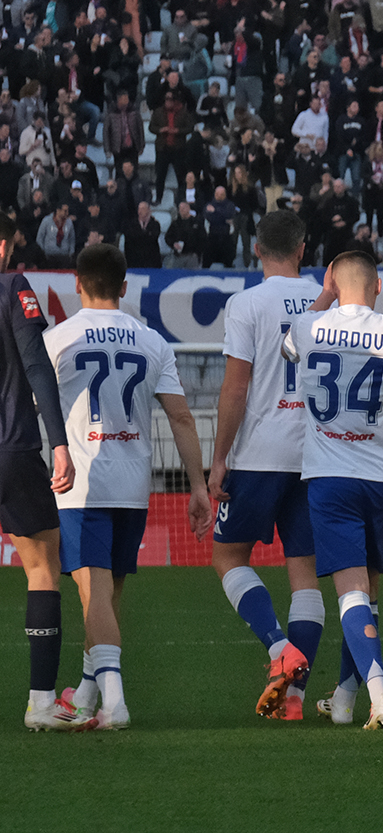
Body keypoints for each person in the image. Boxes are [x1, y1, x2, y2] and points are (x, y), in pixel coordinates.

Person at [45, 244, 209, 731]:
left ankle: (114, 702)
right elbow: (180, 416)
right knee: (109, 593)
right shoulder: (152, 341)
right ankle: (87, 692)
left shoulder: (57, 340)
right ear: (123, 287)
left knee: (92, 593)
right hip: (133, 483)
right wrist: (196, 485)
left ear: (76, 284)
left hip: (82, 483)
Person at [283, 251, 383, 729]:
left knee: (350, 593)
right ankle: (346, 699)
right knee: (369, 592)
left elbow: (290, 347)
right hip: (378, 477)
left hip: (329, 476)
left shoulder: (308, 327)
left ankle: (380, 693)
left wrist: (325, 294)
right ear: (378, 287)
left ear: (332, 279)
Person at [205, 209, 326, 720]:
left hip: (260, 452)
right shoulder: (328, 298)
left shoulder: (247, 303)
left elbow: (236, 386)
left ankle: (279, 650)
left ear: (256, 249)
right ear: (303, 249)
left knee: (228, 558)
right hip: (319, 454)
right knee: (305, 575)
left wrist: (218, 459)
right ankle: (294, 701)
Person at [0, 215, 79, 731]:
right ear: (4, 245)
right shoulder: (13, 287)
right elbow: (35, 366)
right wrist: (59, 442)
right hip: (12, 449)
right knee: (42, 566)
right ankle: (42, 703)